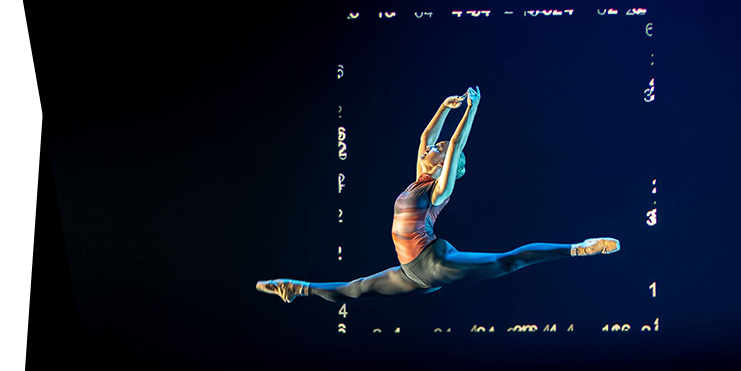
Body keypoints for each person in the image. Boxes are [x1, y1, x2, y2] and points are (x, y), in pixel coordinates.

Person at [256, 86, 620, 304]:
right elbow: (425, 138)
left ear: (447, 163)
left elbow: (456, 143)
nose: (434, 147)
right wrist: (445, 108)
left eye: (440, 149)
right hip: (411, 272)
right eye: (436, 147)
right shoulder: (420, 177)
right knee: (355, 290)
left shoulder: (438, 189)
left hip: (433, 263)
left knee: (507, 262)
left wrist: (472, 110)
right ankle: (295, 288)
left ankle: (578, 248)